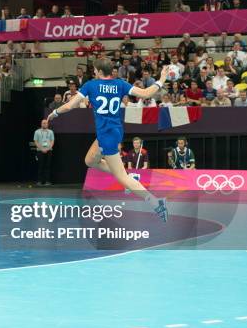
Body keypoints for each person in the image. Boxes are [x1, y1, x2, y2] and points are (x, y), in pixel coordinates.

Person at [47, 59, 170, 222]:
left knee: (122, 179)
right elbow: (147, 93)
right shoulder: (120, 84)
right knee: (90, 160)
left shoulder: (91, 85)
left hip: (107, 136)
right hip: (114, 131)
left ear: (98, 71)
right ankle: (129, 176)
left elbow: (70, 106)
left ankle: (155, 202)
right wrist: (162, 79)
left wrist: (54, 112)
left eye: (94, 70)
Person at [33, 119, 55, 186]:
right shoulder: (37, 132)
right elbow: (35, 141)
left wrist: (48, 148)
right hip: (40, 151)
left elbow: (52, 141)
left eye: (46, 123)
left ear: (47, 124)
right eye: (43, 123)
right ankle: (39, 181)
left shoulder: (51, 132)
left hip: (49, 151)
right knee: (40, 166)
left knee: (48, 166)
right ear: (41, 124)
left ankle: (47, 181)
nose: (44, 124)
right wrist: (41, 149)